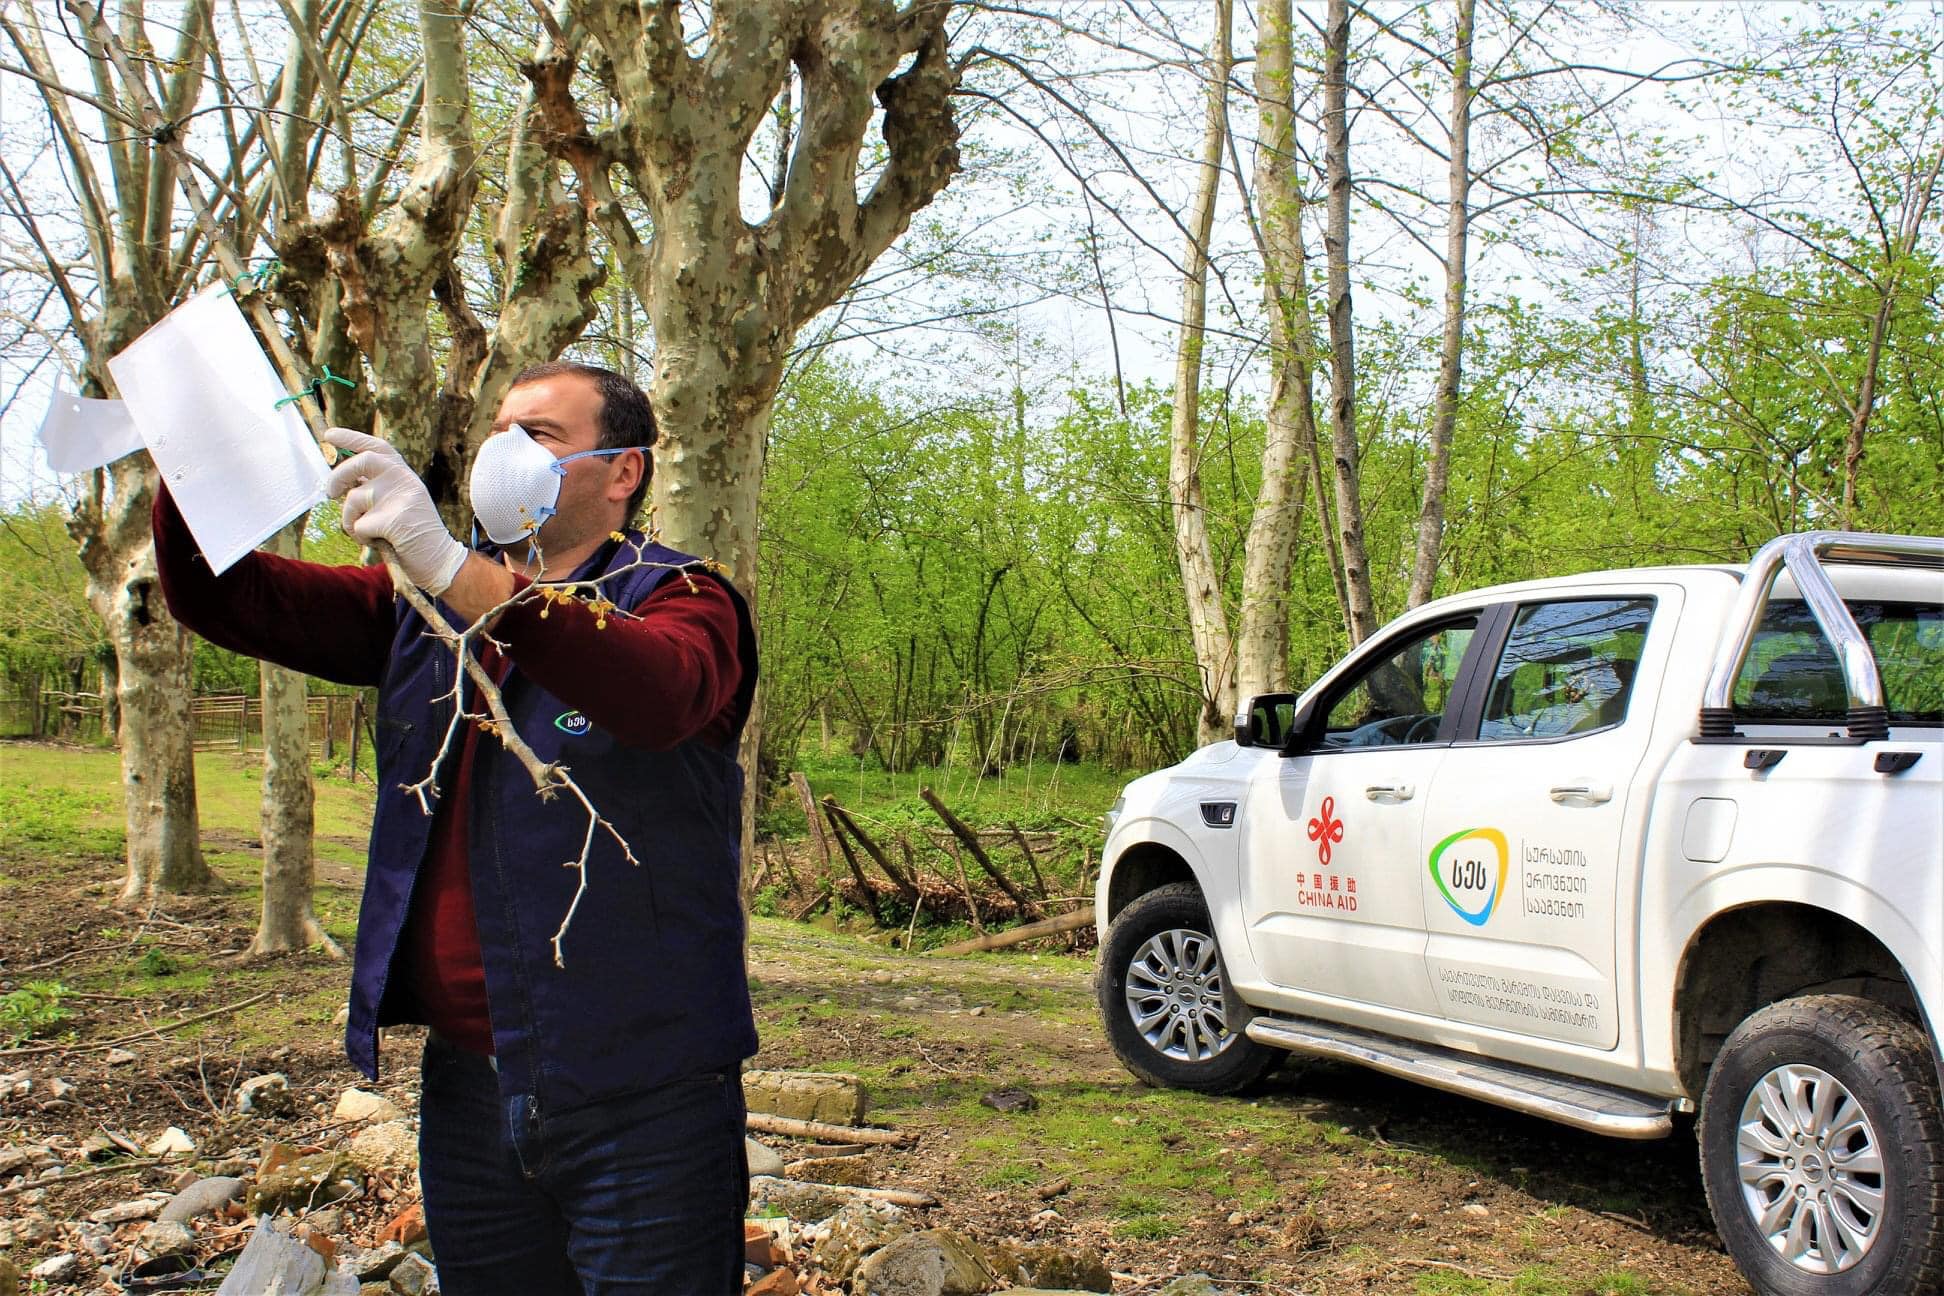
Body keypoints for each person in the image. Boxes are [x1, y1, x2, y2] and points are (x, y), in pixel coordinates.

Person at [152, 361, 759, 1295]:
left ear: (623, 469)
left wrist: (456, 570)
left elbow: (662, 691)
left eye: (542, 435)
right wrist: (192, 454)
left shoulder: (680, 598)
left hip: (644, 1086)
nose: (506, 452)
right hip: (471, 1082)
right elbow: (226, 595)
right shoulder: (415, 611)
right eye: (500, 429)